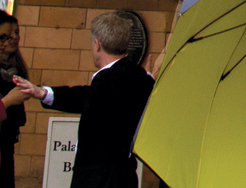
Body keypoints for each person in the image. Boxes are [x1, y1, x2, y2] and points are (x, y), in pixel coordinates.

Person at [14, 11, 154, 188]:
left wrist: (43, 93)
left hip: (99, 178)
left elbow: (84, 97)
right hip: (125, 175)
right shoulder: (140, 78)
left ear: (97, 45)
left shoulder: (109, 79)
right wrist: (148, 77)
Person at [0, 13, 30, 188]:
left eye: (16, 33)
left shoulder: (13, 68)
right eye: (4, 36)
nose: (14, 39)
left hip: (6, 141)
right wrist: (9, 101)